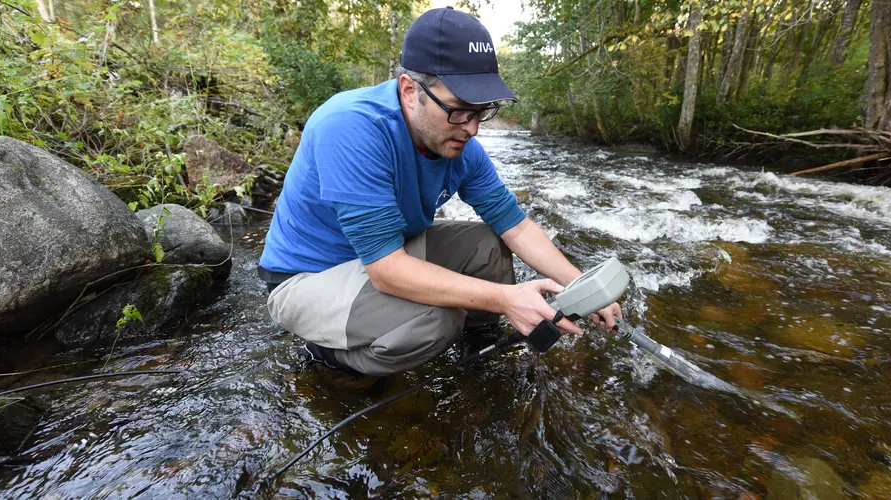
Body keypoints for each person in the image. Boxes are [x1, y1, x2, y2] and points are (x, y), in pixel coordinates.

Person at [258, 7, 621, 377]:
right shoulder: (351, 128)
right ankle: (331, 355)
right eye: (460, 110)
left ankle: (479, 352)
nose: (473, 129)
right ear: (410, 91)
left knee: (491, 247)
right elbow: (386, 270)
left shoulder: (461, 145)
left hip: (384, 254)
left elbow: (518, 229)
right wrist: (504, 300)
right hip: (308, 278)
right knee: (438, 320)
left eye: (483, 111)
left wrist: (580, 285)